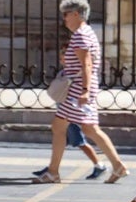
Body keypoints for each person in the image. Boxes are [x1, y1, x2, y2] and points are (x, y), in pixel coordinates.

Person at [32, 0, 128, 184]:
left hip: (77, 90)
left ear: (76, 14)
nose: (64, 19)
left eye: (66, 14)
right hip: (82, 88)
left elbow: (87, 65)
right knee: (82, 128)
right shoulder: (87, 33)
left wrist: (84, 90)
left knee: (72, 127)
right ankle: (117, 166)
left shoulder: (80, 36)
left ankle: (53, 172)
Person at [33, 43, 108, 180]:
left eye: (65, 58)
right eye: (62, 58)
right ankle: (52, 167)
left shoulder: (75, 74)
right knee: (64, 140)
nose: (62, 61)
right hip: (64, 113)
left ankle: (99, 165)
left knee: (79, 142)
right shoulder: (65, 72)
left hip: (71, 115)